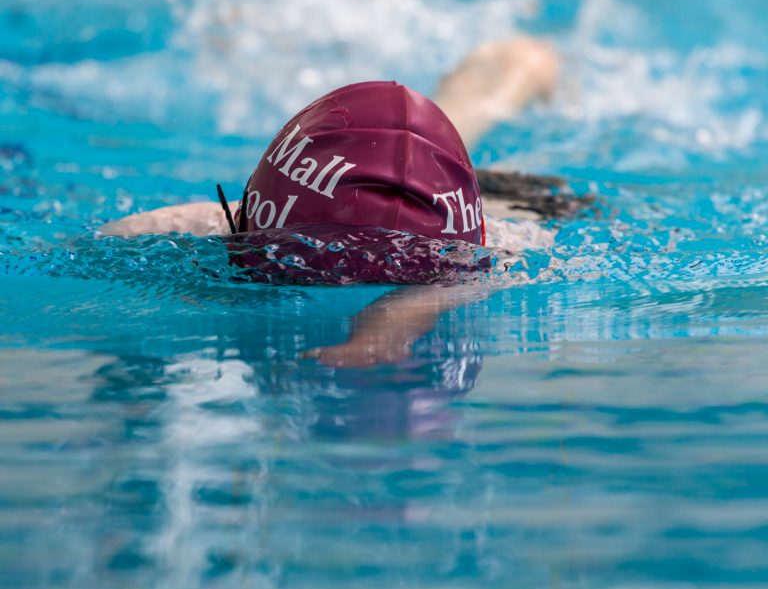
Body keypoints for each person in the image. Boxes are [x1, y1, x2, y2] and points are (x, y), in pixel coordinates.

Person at [102, 37, 577, 366]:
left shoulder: (505, 242)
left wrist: (385, 333)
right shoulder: (221, 223)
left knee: (470, 145)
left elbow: (442, 285)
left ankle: (518, 66)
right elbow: (132, 232)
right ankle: (516, 66)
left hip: (489, 206)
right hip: (444, 194)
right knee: (458, 132)